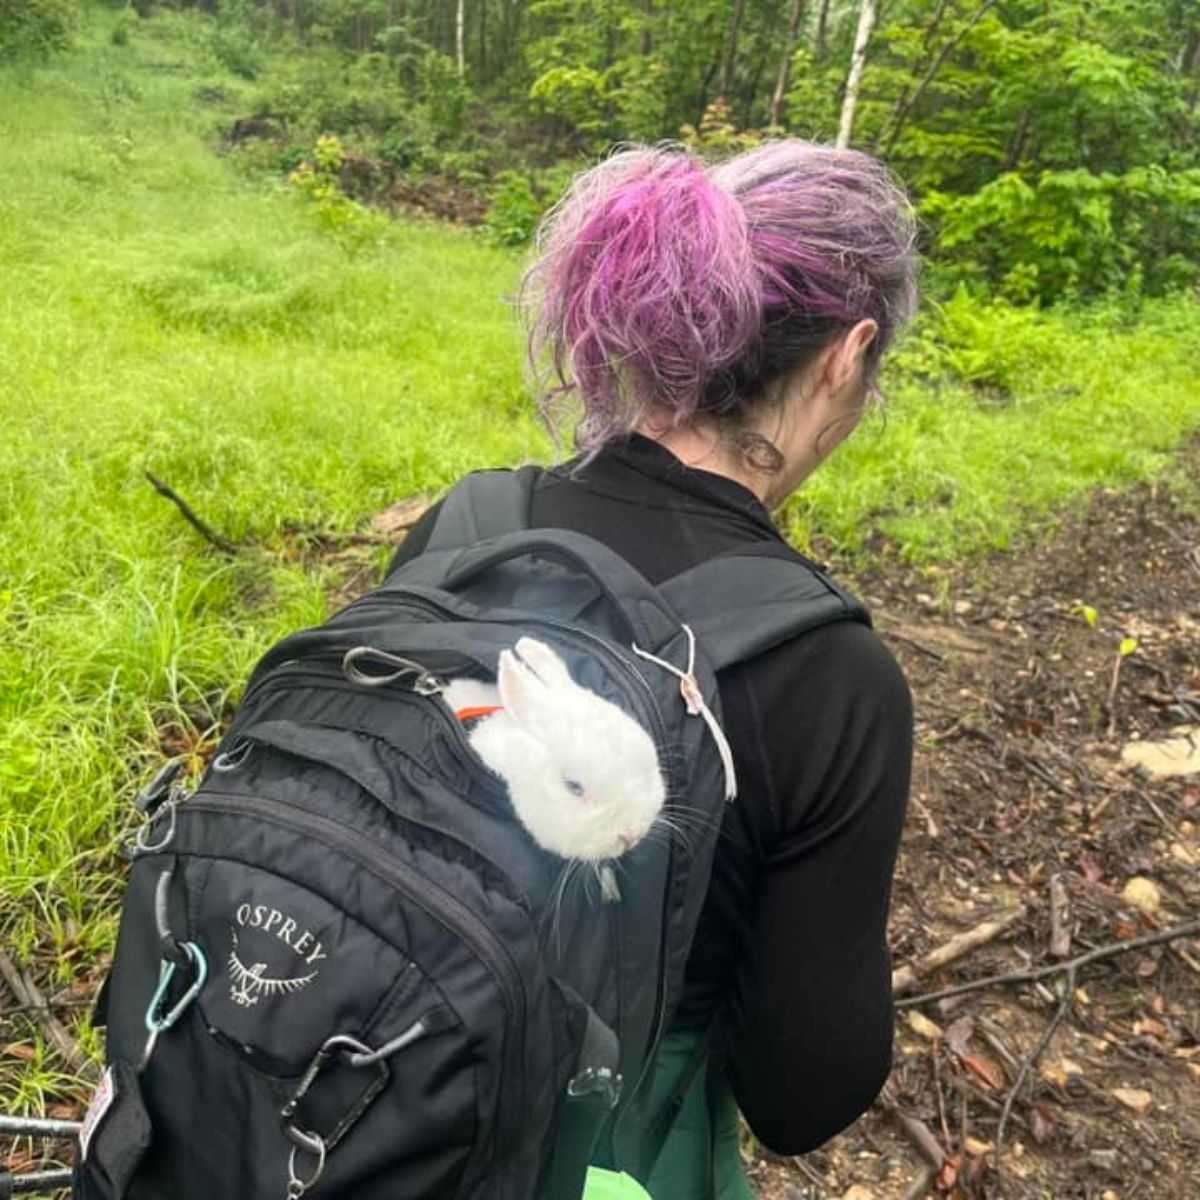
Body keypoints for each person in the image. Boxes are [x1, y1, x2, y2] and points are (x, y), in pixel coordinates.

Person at [390, 140, 918, 1197]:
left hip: (369, 1086)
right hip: (607, 1149)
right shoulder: (832, 679)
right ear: (846, 356)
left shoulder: (472, 522)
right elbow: (804, 1095)